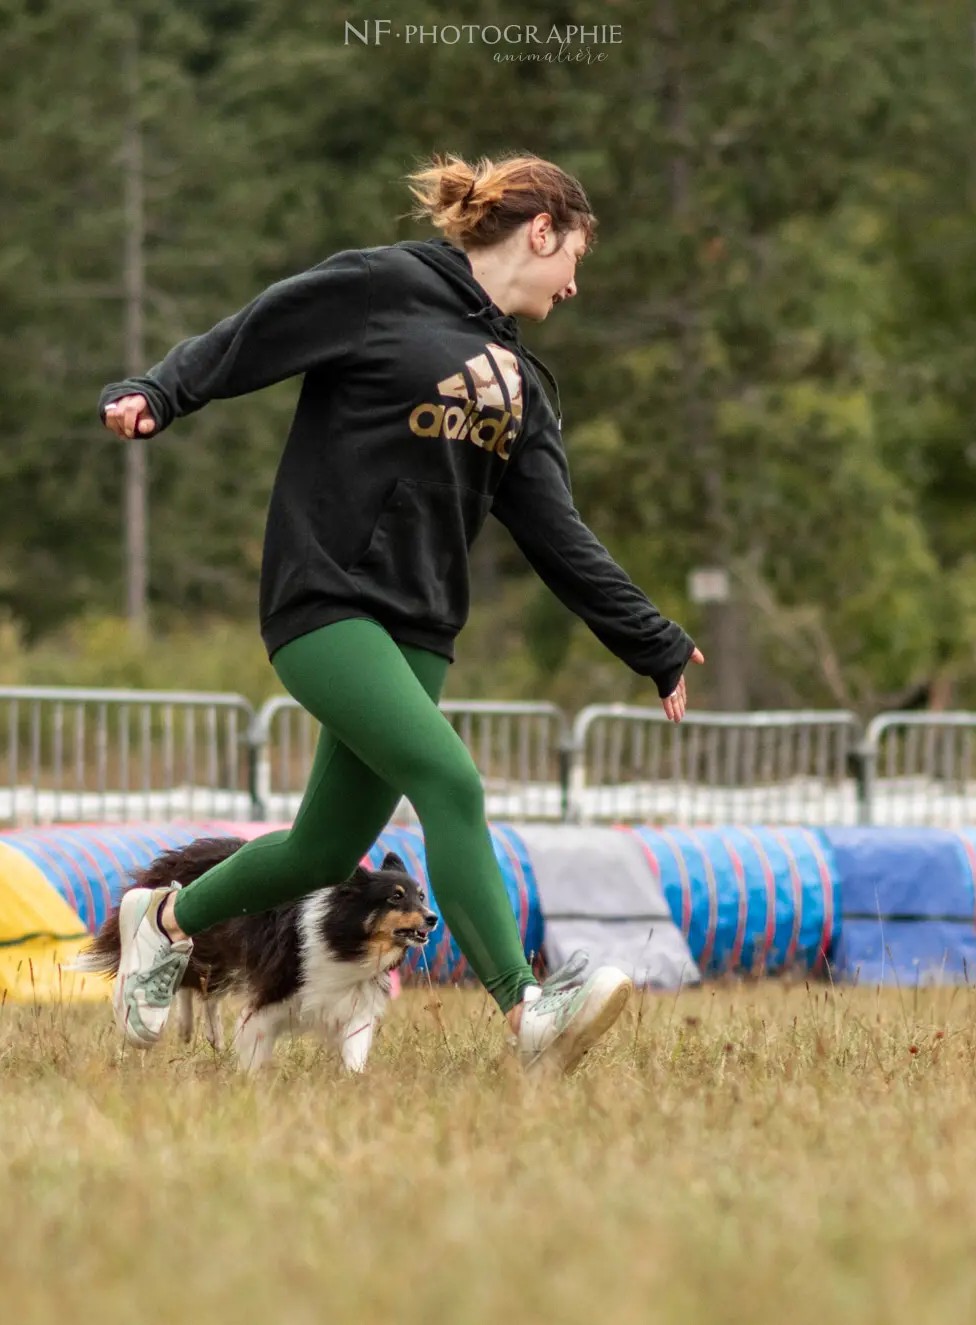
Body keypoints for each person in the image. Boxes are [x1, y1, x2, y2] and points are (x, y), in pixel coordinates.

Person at [95, 152, 704, 1072]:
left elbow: (559, 537)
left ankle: (163, 918)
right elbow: (255, 332)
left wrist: (652, 642)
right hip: (325, 600)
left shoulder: (525, 385)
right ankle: (526, 1009)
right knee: (452, 783)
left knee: (318, 849)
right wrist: (156, 391)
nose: (575, 282)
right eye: (573, 255)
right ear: (540, 230)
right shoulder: (384, 285)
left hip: (421, 629)